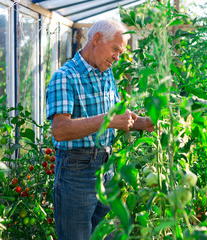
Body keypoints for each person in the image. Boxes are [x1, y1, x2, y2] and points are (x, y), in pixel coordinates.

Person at [46, 19, 154, 239]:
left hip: (107, 168)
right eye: (115, 49)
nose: (117, 57)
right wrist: (108, 119)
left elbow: (115, 116)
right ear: (96, 40)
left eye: (120, 52)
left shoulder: (105, 73)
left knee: (107, 235)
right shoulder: (65, 77)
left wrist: (143, 122)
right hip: (76, 171)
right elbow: (60, 129)